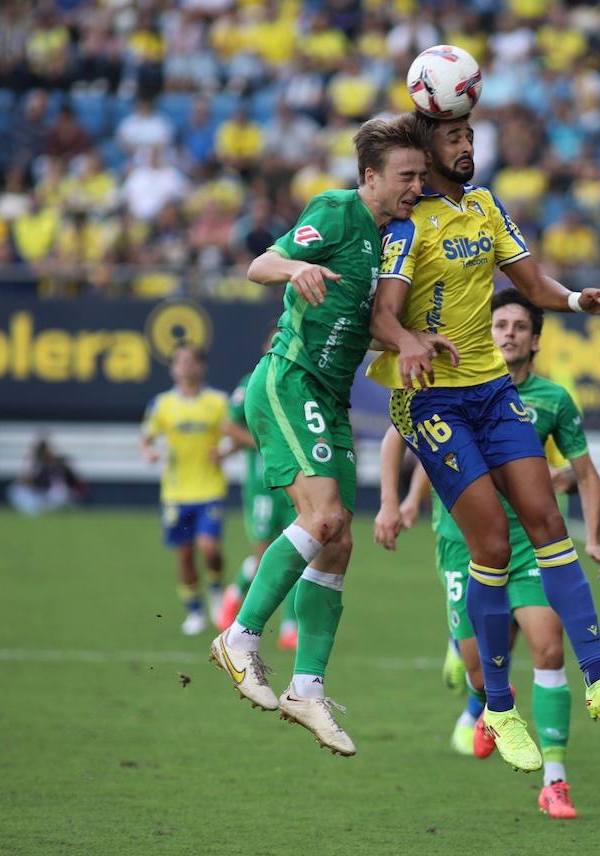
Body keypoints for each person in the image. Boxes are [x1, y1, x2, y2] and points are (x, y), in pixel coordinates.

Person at [367, 110, 600, 776]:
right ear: (427, 151)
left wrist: (578, 299)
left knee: (548, 522)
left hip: (492, 391)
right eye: (454, 138)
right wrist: (410, 342)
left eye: (470, 136)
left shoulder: (487, 207)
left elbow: (530, 285)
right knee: (492, 541)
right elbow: (381, 315)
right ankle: (498, 707)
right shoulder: (408, 227)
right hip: (430, 398)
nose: (467, 146)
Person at [208, 116, 435, 757]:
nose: (416, 185)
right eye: (405, 176)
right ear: (370, 177)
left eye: (420, 175)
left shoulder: (396, 239)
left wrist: (414, 342)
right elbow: (259, 263)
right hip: (289, 381)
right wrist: (292, 270)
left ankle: (306, 688)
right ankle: (240, 636)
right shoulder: (336, 212)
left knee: (336, 547)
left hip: (331, 400)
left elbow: (372, 325)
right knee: (325, 516)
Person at [376, 289, 600, 819]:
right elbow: (404, 439)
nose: (508, 333)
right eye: (499, 324)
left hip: (529, 545)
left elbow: (585, 473)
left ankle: (555, 781)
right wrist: (395, 503)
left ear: (535, 339)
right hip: (464, 545)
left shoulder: (552, 400)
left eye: (519, 326)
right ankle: (476, 689)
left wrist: (592, 535)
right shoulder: (450, 381)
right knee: (483, 675)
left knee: (549, 650)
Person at [216, 333, 301, 652]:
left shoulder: (300, 379)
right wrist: (265, 443)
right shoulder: (252, 381)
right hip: (264, 483)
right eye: (274, 341)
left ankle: (290, 627)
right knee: (264, 555)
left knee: (300, 553)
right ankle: (235, 596)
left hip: (296, 479)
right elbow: (229, 426)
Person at [139, 346, 231, 636]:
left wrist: (225, 452)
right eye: (180, 362)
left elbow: (235, 434)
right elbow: (146, 438)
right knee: (184, 554)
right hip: (176, 493)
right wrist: (149, 452)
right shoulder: (162, 404)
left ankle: (216, 589)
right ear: (173, 368)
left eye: (191, 362)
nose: (186, 367)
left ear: (202, 367)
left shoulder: (217, 402)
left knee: (209, 548)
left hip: (209, 488)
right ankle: (195, 612)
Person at [8, 437, 87, 516]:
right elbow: (27, 480)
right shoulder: (36, 464)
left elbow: (73, 481)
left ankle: (53, 510)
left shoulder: (59, 463)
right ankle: (34, 511)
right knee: (15, 490)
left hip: (53, 495)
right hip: (40, 494)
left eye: (45, 450)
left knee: (59, 493)